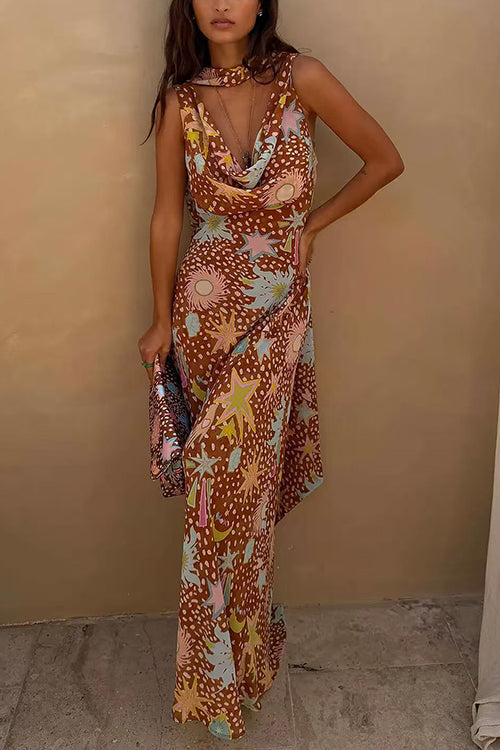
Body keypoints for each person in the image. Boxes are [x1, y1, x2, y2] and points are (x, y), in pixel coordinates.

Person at [138, 0, 404, 740]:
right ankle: (228, 669)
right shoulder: (181, 101)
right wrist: (160, 318)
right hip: (200, 320)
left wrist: (312, 225)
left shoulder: (302, 78)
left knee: (241, 498)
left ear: (262, 1)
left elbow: (385, 161)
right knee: (216, 497)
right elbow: (168, 217)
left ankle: (233, 666)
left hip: (277, 314)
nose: (222, 3)